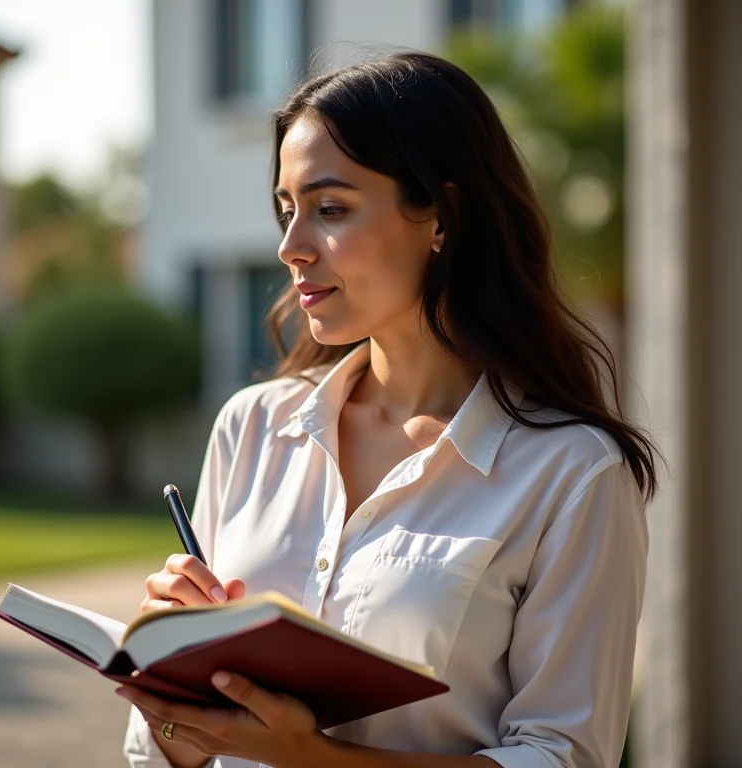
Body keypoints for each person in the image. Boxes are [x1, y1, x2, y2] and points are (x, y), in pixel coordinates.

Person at [120, 51, 658, 768]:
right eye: (287, 211)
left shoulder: (572, 473)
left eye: (330, 209)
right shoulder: (252, 428)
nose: (290, 247)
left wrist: (311, 757)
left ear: (442, 215)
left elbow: (561, 757)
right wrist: (171, 674)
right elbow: (158, 756)